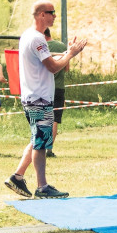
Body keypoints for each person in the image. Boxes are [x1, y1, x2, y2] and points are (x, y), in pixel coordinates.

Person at [4, 0, 86, 199]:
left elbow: (49, 63)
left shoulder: (28, 36)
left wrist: (67, 52)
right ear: (41, 15)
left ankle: (18, 176)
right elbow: (53, 67)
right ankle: (42, 187)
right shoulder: (38, 39)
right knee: (41, 144)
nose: (54, 16)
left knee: (37, 139)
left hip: (33, 96)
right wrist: (72, 54)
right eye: (51, 12)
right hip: (39, 98)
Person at [44, 27, 68, 157]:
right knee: (54, 119)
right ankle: (49, 149)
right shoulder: (61, 46)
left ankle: (39, 146)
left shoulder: (40, 46)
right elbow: (66, 68)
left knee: (42, 117)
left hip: (43, 87)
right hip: (58, 87)